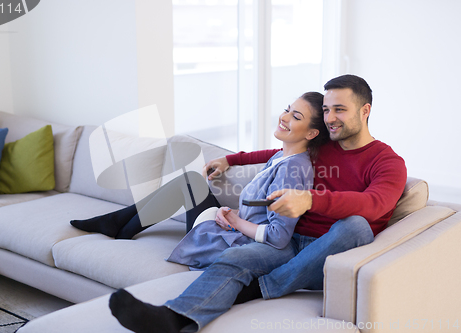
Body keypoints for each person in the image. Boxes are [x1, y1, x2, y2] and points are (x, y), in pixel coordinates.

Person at [107, 74, 407, 333]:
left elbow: (374, 204)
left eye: (339, 110)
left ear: (365, 110)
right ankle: (173, 318)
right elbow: (278, 152)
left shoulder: (388, 162)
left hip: (326, 253)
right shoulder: (324, 143)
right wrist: (231, 159)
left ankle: (266, 286)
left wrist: (310, 199)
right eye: (327, 109)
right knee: (237, 259)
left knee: (356, 226)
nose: (330, 118)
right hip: (290, 241)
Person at [166, 92, 328, 270]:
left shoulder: (292, 169)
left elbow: (279, 235)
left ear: (312, 133)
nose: (284, 117)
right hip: (230, 230)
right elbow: (258, 212)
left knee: (190, 183)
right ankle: (128, 229)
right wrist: (230, 212)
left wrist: (235, 222)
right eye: (287, 110)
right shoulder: (281, 156)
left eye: (296, 117)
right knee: (190, 182)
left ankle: (128, 229)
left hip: (237, 244)